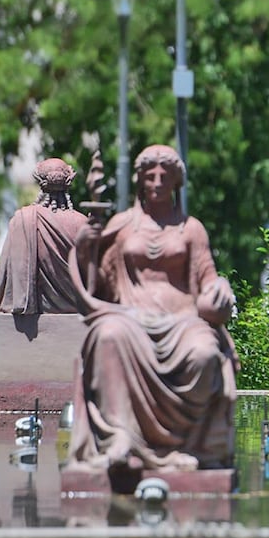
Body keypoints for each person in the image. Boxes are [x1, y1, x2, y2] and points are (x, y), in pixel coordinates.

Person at [66, 144, 238, 471]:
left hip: (183, 321)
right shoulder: (121, 225)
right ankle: (121, 438)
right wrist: (87, 246)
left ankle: (188, 447)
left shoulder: (191, 229)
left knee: (203, 354)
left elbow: (208, 278)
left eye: (165, 174)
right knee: (107, 336)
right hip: (129, 317)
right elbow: (98, 283)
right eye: (150, 174)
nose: (157, 180)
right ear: (140, 180)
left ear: (176, 182)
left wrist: (220, 289)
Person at [0, 158, 88, 354]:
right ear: (69, 181)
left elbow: (4, 276)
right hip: (77, 320)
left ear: (40, 182)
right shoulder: (84, 225)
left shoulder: (22, 221)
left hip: (28, 330)